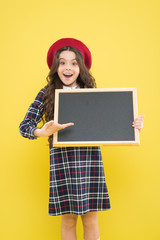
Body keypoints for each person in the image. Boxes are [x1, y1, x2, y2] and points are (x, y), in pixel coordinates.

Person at [19, 38, 144, 240]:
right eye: (62, 62)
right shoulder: (46, 93)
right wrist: (42, 132)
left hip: (90, 161)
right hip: (62, 163)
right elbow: (24, 126)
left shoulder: (91, 93)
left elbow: (114, 124)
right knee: (68, 220)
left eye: (74, 63)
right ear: (55, 67)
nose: (68, 68)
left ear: (81, 67)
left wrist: (134, 126)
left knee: (90, 218)